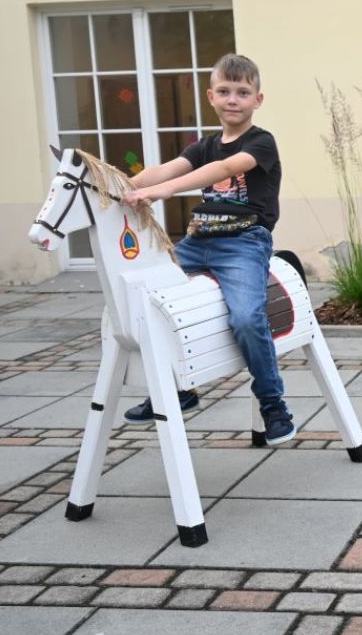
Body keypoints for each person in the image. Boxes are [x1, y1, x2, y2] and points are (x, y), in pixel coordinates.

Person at [120, 54, 296, 445]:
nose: (233, 99)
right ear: (211, 97)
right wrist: (122, 184)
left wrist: (162, 192)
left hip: (243, 242)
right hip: (198, 241)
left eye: (242, 92)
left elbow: (223, 170)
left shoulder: (261, 143)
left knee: (248, 318)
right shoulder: (203, 145)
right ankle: (177, 389)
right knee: (146, 302)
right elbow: (164, 170)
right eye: (225, 92)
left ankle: (273, 404)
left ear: (258, 99)